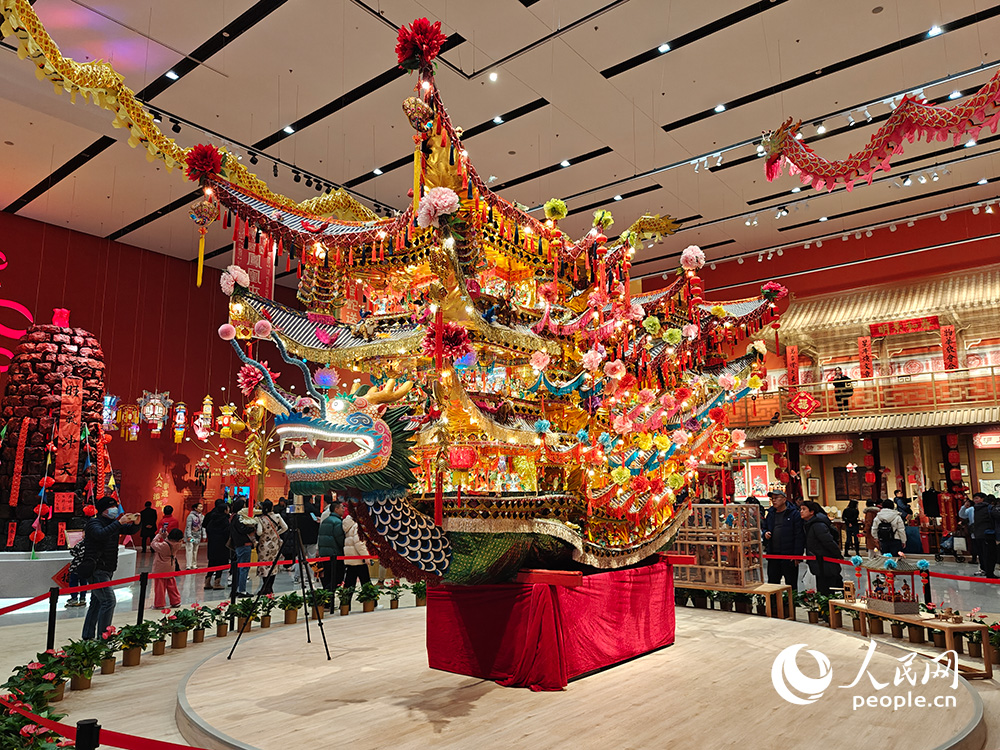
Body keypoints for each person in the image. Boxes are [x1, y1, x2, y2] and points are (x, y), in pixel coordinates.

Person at [81, 497, 140, 640]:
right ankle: (104, 637)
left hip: (108, 568)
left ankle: (88, 635)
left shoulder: (112, 523)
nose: (114, 509)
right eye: (111, 507)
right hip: (96, 568)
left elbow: (130, 530)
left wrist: (137, 522)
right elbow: (100, 534)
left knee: (97, 602)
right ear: (103, 510)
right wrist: (119, 522)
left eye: (115, 506)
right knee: (108, 601)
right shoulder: (94, 523)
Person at [761, 491, 805, 591]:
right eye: (772, 498)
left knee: (791, 584)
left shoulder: (794, 514)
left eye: (776, 498)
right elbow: (764, 527)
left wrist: (797, 555)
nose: (774, 500)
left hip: (789, 555)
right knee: (772, 584)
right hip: (773, 555)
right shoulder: (771, 513)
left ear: (784, 499)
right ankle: (774, 601)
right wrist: (765, 533)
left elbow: (799, 535)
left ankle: (790, 601)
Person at [799, 500, 844, 595]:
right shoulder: (809, 524)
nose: (801, 511)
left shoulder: (817, 525)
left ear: (812, 512)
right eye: (800, 509)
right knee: (823, 587)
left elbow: (828, 541)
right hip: (820, 562)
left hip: (825, 562)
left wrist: (838, 554)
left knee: (828, 589)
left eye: (804, 509)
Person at [255, 499, 289, 595]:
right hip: (274, 544)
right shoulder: (277, 516)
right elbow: (285, 527)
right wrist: (276, 533)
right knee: (273, 565)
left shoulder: (261, 519)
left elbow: (259, 532)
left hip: (264, 545)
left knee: (264, 566)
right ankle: (270, 587)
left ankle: (265, 587)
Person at [961, 493, 997, 578]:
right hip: (985, 533)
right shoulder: (985, 508)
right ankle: (987, 571)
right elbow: (962, 515)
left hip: (978, 533)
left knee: (982, 553)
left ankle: (985, 570)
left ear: (983, 499)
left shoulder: (977, 508)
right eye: (975, 498)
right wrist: (964, 507)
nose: (975, 500)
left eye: (977, 498)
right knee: (985, 553)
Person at [228, 498, 258, 596]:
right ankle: (242, 590)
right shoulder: (239, 518)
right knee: (244, 568)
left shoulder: (233, 517)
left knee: (238, 569)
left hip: (238, 545)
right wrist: (252, 528)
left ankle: (235, 589)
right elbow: (242, 529)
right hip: (244, 544)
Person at [151, 528, 185, 609]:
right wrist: (165, 535)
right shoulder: (178, 544)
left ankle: (159, 604)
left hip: (160, 568)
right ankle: (176, 601)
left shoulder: (164, 546)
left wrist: (159, 535)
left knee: (160, 588)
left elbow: (153, 544)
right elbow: (169, 541)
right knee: (172, 586)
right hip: (171, 567)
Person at [317, 499, 346, 590]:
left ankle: (326, 596)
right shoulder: (337, 522)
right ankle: (330, 594)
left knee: (327, 577)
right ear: (336, 509)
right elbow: (340, 539)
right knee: (336, 578)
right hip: (335, 554)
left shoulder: (325, 520)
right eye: (342, 507)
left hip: (324, 555)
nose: (344, 509)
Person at [202, 498, 230, 590]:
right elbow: (227, 532)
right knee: (220, 563)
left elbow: (207, 528)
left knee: (212, 562)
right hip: (222, 545)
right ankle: (217, 583)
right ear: (225, 510)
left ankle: (207, 581)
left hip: (212, 544)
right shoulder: (225, 520)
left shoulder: (212, 518)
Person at [342, 507, 372, 588]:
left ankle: (345, 597)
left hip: (350, 558)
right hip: (359, 559)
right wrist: (366, 556)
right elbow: (359, 543)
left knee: (349, 584)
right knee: (366, 585)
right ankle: (370, 597)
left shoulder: (349, 525)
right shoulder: (357, 526)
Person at [65, 538, 88, 608]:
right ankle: (82, 598)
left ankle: (74, 598)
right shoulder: (92, 544)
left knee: (73, 583)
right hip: (86, 567)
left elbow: (73, 552)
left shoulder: (81, 543)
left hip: (76, 567)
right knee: (84, 583)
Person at [184, 502, 205, 570]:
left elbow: (203, 527)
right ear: (195, 508)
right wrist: (189, 536)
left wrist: (204, 535)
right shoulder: (190, 516)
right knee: (190, 549)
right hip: (191, 536)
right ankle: (188, 565)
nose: (201, 508)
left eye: (202, 507)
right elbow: (188, 527)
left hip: (197, 536)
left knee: (195, 550)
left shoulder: (202, 516)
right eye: (199, 507)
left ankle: (194, 564)